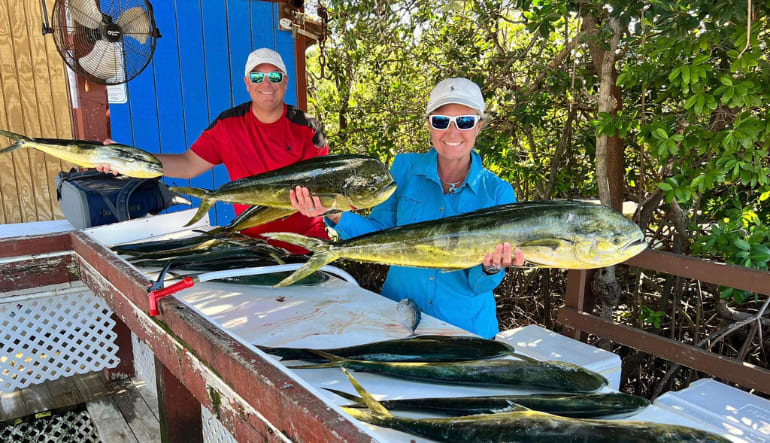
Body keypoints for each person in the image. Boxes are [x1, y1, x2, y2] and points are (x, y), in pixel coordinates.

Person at [290, 77, 524, 338]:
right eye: (441, 121)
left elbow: (479, 284)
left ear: (479, 127)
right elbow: (378, 234)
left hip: (465, 332)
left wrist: (491, 267)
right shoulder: (404, 169)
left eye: (465, 121)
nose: (452, 132)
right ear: (429, 124)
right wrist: (333, 212)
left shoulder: (497, 192)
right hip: (397, 320)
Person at [99, 48, 329, 251]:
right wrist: (128, 159)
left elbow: (324, 188)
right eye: (257, 77)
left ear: (285, 82)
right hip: (253, 248)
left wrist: (320, 208)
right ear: (247, 83)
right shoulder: (227, 125)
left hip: (308, 246)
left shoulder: (308, 128)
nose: (266, 84)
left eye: (274, 76)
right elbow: (188, 165)